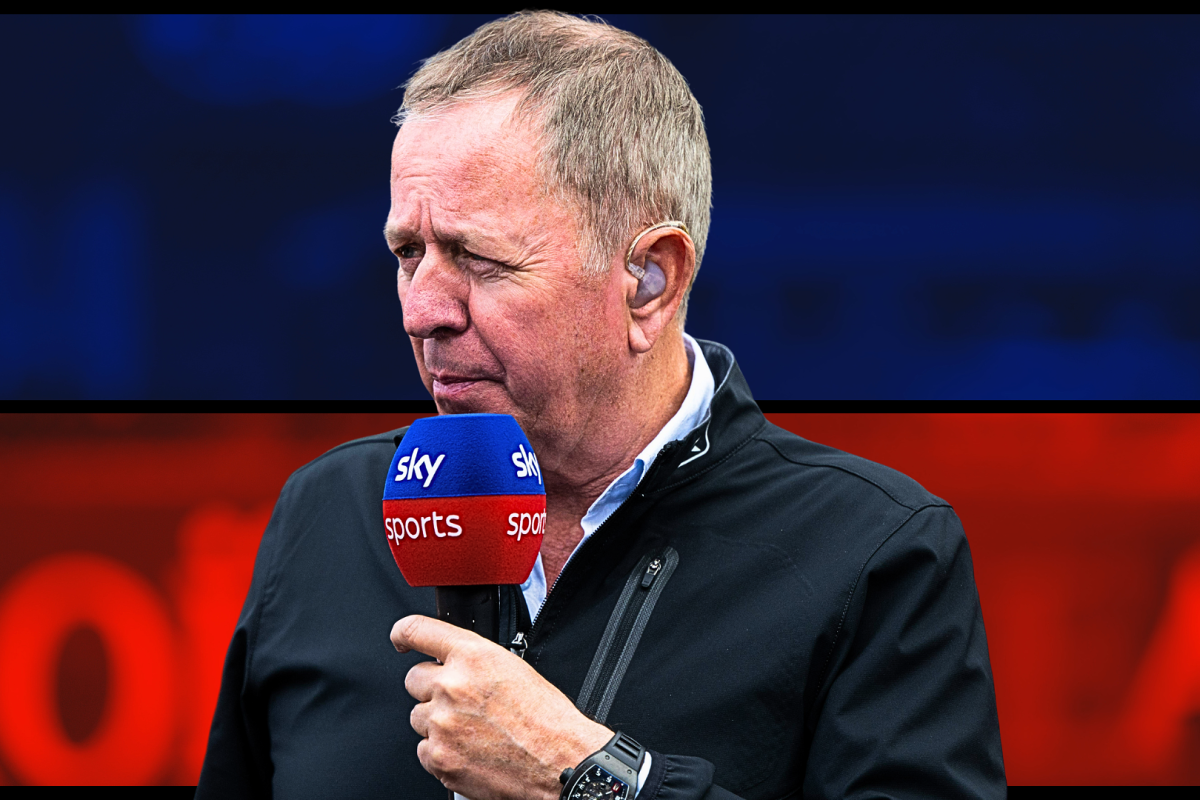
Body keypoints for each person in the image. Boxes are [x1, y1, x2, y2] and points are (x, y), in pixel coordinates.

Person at [197, 12, 1005, 800]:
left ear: (650, 281)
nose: (421, 311)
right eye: (409, 253)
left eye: (477, 258)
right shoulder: (326, 511)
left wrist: (590, 777)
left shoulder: (876, 554)